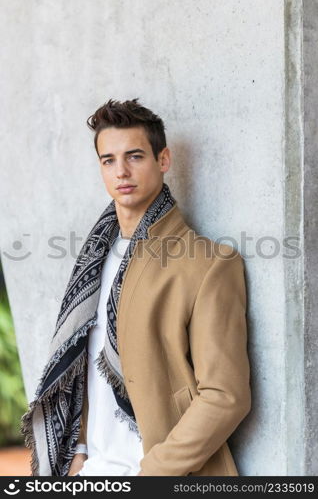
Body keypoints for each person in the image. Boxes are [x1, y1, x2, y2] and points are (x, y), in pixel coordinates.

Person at [22, 98, 251, 476]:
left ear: (163, 161)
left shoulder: (209, 263)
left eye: (135, 156)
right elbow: (82, 363)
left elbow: (226, 395)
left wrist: (152, 474)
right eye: (108, 160)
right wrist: (78, 453)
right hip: (95, 471)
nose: (121, 172)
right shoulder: (92, 261)